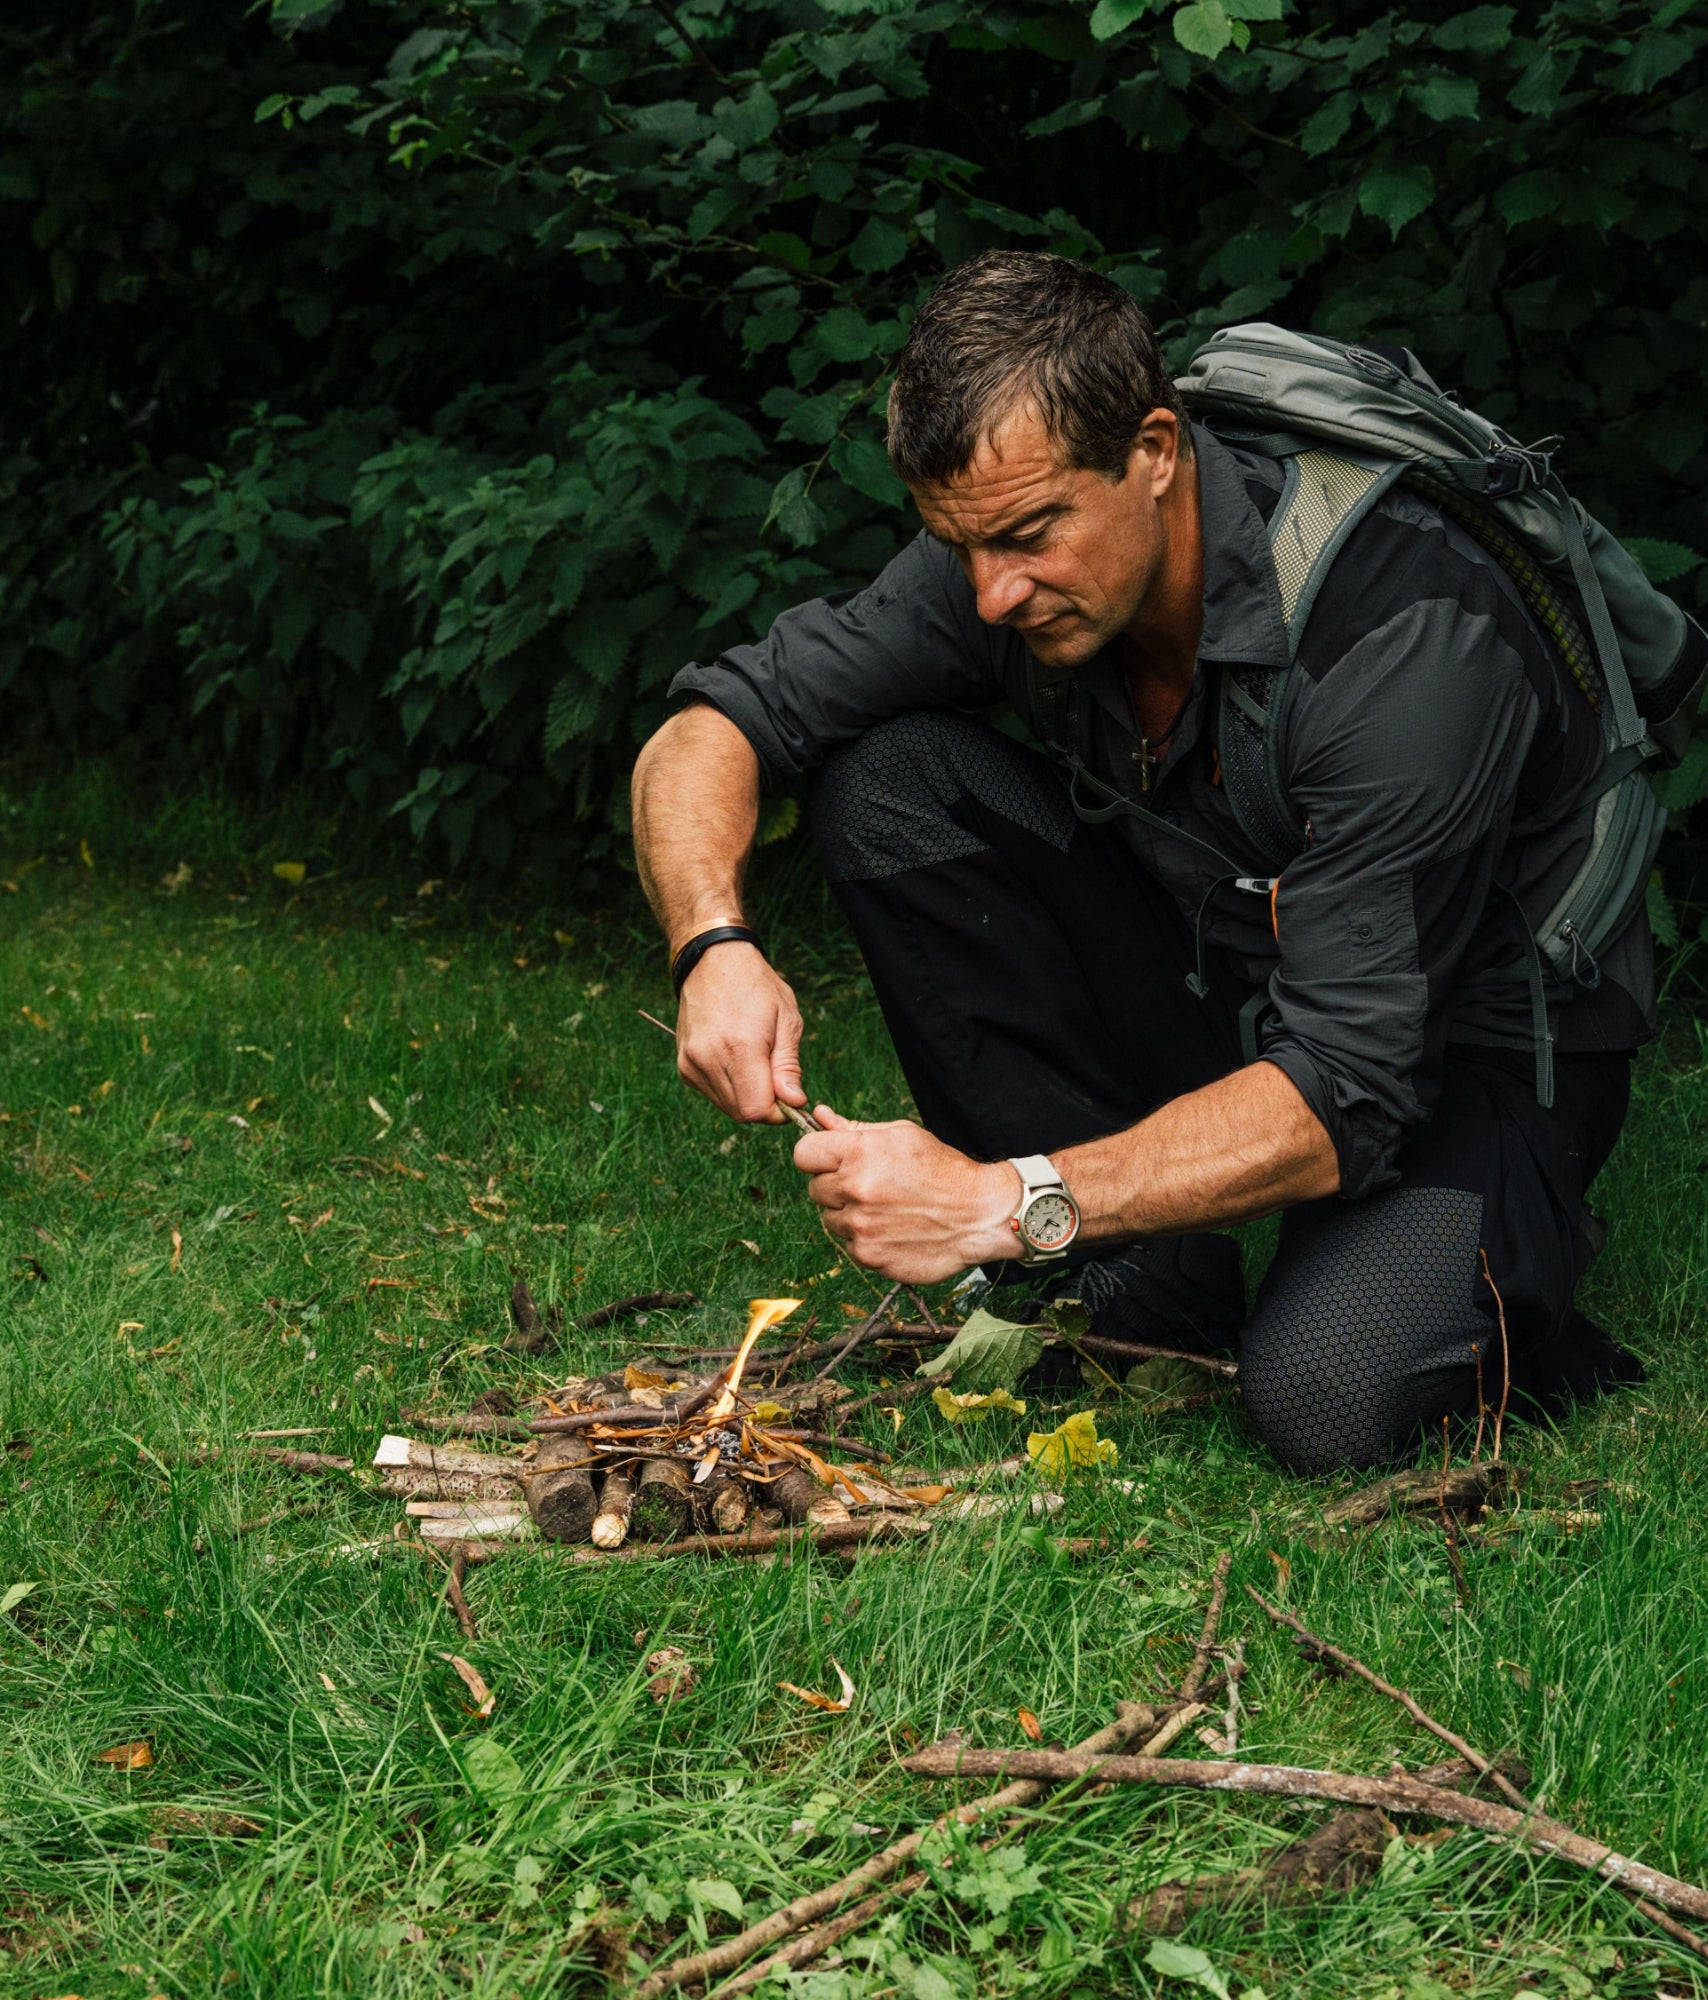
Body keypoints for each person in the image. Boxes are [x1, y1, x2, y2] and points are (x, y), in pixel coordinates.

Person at [631, 250, 1652, 1476]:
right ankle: (1134, 1275)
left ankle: (1504, 1247)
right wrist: (711, 941)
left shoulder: (1401, 636)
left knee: (1326, 1394)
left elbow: (1348, 1086)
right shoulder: (1004, 558)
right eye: (957, 543)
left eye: (1028, 535)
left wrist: (994, 1203)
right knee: (885, 779)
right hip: (1230, 962)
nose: (990, 593)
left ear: (1154, 452)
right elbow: (715, 723)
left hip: (1458, 1043)